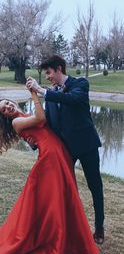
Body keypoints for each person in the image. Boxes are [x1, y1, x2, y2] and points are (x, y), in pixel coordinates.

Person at [0, 90, 99, 254]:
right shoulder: (17, 122)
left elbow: (42, 125)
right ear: (5, 115)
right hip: (50, 158)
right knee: (53, 201)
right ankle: (55, 245)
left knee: (65, 197)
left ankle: (69, 243)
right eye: (4, 109)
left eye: (7, 103)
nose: (8, 107)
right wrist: (34, 93)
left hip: (60, 154)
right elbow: (40, 119)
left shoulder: (23, 115)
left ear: (11, 100)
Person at [26, 55, 105, 244]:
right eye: (46, 74)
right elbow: (50, 125)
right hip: (66, 151)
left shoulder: (80, 84)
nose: (48, 77)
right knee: (65, 189)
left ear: (59, 69)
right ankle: (70, 229)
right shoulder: (51, 96)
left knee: (95, 186)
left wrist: (40, 90)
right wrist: (34, 141)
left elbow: (72, 99)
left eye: (49, 73)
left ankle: (99, 227)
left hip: (87, 145)